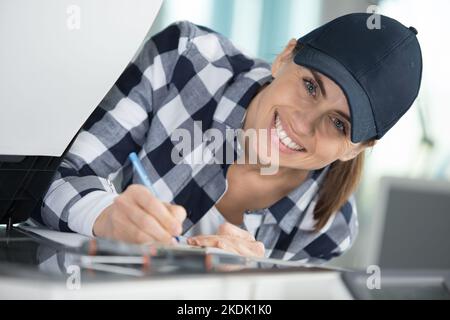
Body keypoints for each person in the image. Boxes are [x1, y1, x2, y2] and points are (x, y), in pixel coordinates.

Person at [33, 13, 422, 264]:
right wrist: (106, 216)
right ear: (286, 57)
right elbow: (46, 182)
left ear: (357, 147)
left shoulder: (329, 228)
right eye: (310, 86)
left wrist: (250, 295)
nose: (304, 124)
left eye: (339, 124)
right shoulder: (182, 60)